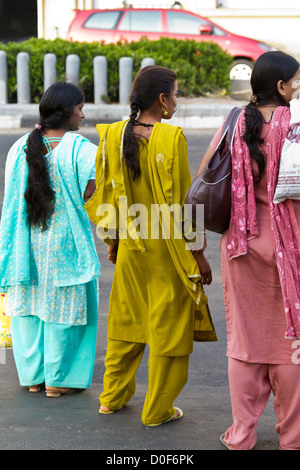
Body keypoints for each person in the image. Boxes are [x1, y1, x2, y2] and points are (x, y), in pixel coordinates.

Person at [85, 65, 217, 426]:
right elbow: (187, 204)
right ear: (162, 100)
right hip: (167, 251)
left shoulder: (112, 135)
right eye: (175, 94)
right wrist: (199, 255)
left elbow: (107, 195)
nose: (177, 100)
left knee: (127, 322)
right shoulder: (170, 137)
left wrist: (113, 242)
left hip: (130, 246)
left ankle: (111, 398)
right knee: (168, 328)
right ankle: (158, 409)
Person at [194, 51, 300, 450]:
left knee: (247, 342)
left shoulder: (235, 121)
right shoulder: (296, 125)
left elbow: (206, 174)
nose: (298, 86)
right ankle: (293, 437)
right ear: (280, 86)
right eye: (296, 80)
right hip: (290, 246)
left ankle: (241, 435)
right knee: (290, 339)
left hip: (241, 245)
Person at [0, 82, 101, 398]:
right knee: (65, 310)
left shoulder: (20, 148)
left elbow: (13, 200)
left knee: (29, 308)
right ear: (68, 111)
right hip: (66, 246)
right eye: (81, 108)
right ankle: (58, 381)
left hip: (26, 245)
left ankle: (33, 378)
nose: (83, 115)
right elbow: (91, 193)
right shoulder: (82, 150)